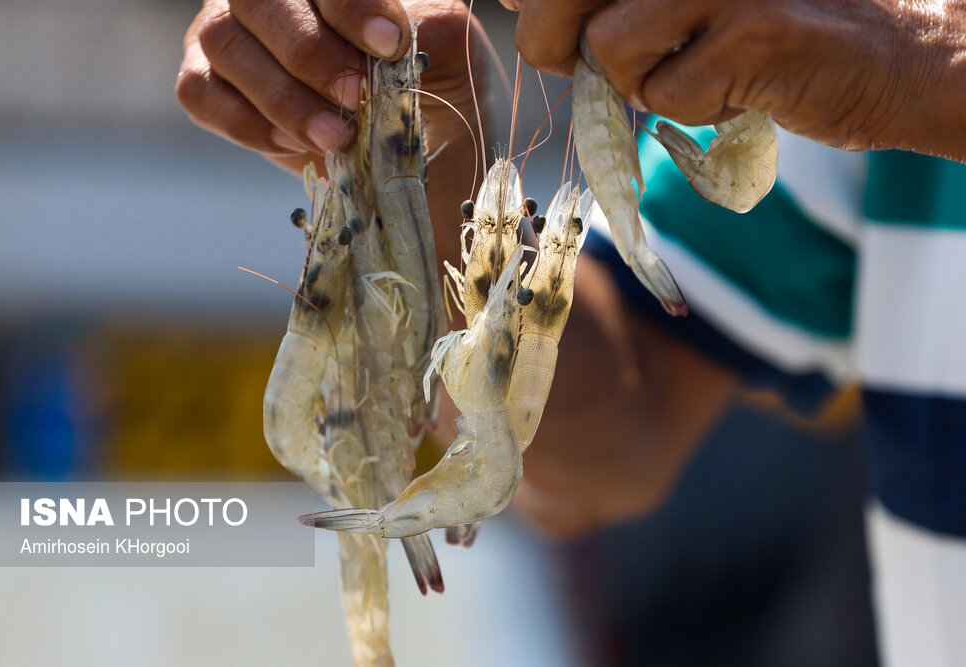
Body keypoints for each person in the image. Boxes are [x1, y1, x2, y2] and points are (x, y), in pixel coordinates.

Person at [177, 1, 966, 664]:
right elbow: (613, 441)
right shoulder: (828, 55)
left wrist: (919, 63)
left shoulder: (879, 32)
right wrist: (423, 132)